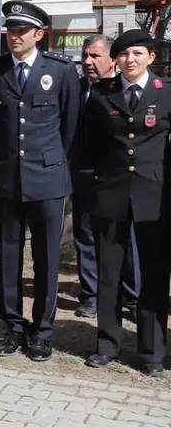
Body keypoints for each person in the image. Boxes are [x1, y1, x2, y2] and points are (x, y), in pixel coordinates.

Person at [0, 1, 80, 362]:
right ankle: (12, 327)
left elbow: (69, 127)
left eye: (22, 30)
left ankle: (43, 331)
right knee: (8, 257)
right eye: (10, 30)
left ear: (39, 34)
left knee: (47, 258)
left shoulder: (61, 70)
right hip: (7, 179)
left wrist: (52, 162)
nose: (14, 36)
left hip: (48, 178)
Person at [78, 29, 170, 375]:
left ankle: (151, 352)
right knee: (109, 272)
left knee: (154, 275)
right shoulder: (101, 94)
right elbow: (88, 145)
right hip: (111, 193)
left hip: (154, 195)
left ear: (150, 57)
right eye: (123, 54)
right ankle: (107, 344)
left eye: (137, 53)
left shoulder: (166, 92)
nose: (130, 60)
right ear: (115, 59)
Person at [72, 34, 141, 318]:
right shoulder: (74, 89)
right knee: (86, 235)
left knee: (126, 238)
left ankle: (132, 296)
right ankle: (91, 294)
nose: (88, 61)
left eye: (95, 56)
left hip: (119, 176)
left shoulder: (125, 88)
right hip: (84, 174)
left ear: (112, 60)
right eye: (84, 56)